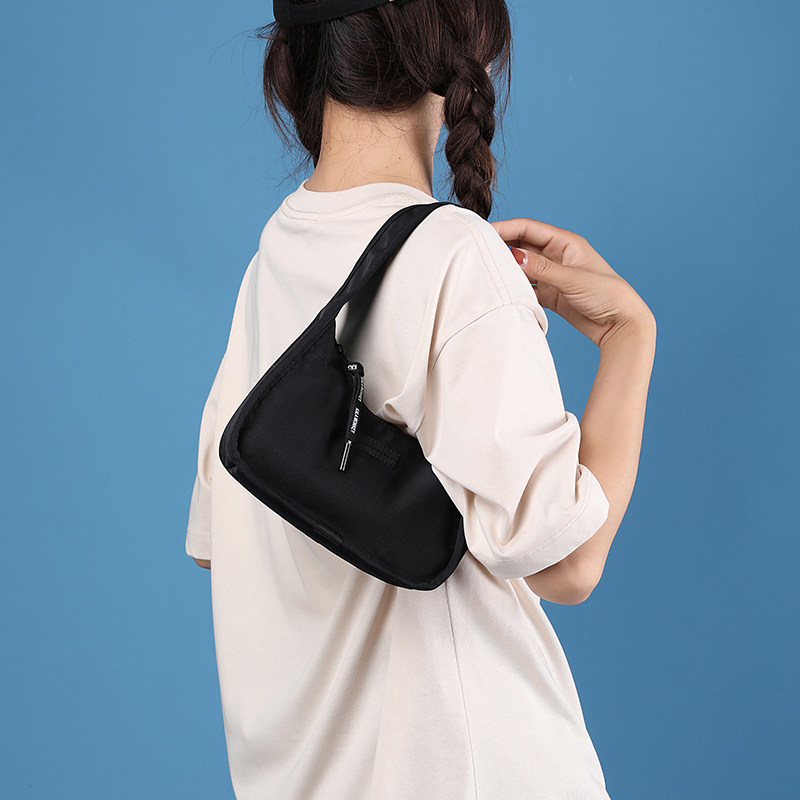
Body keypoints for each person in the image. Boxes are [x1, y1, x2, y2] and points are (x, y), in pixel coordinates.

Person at [185, 1, 657, 797]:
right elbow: (569, 563)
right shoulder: (451, 256)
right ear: (460, 47)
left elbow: (221, 547)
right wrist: (628, 334)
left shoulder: (273, 262)